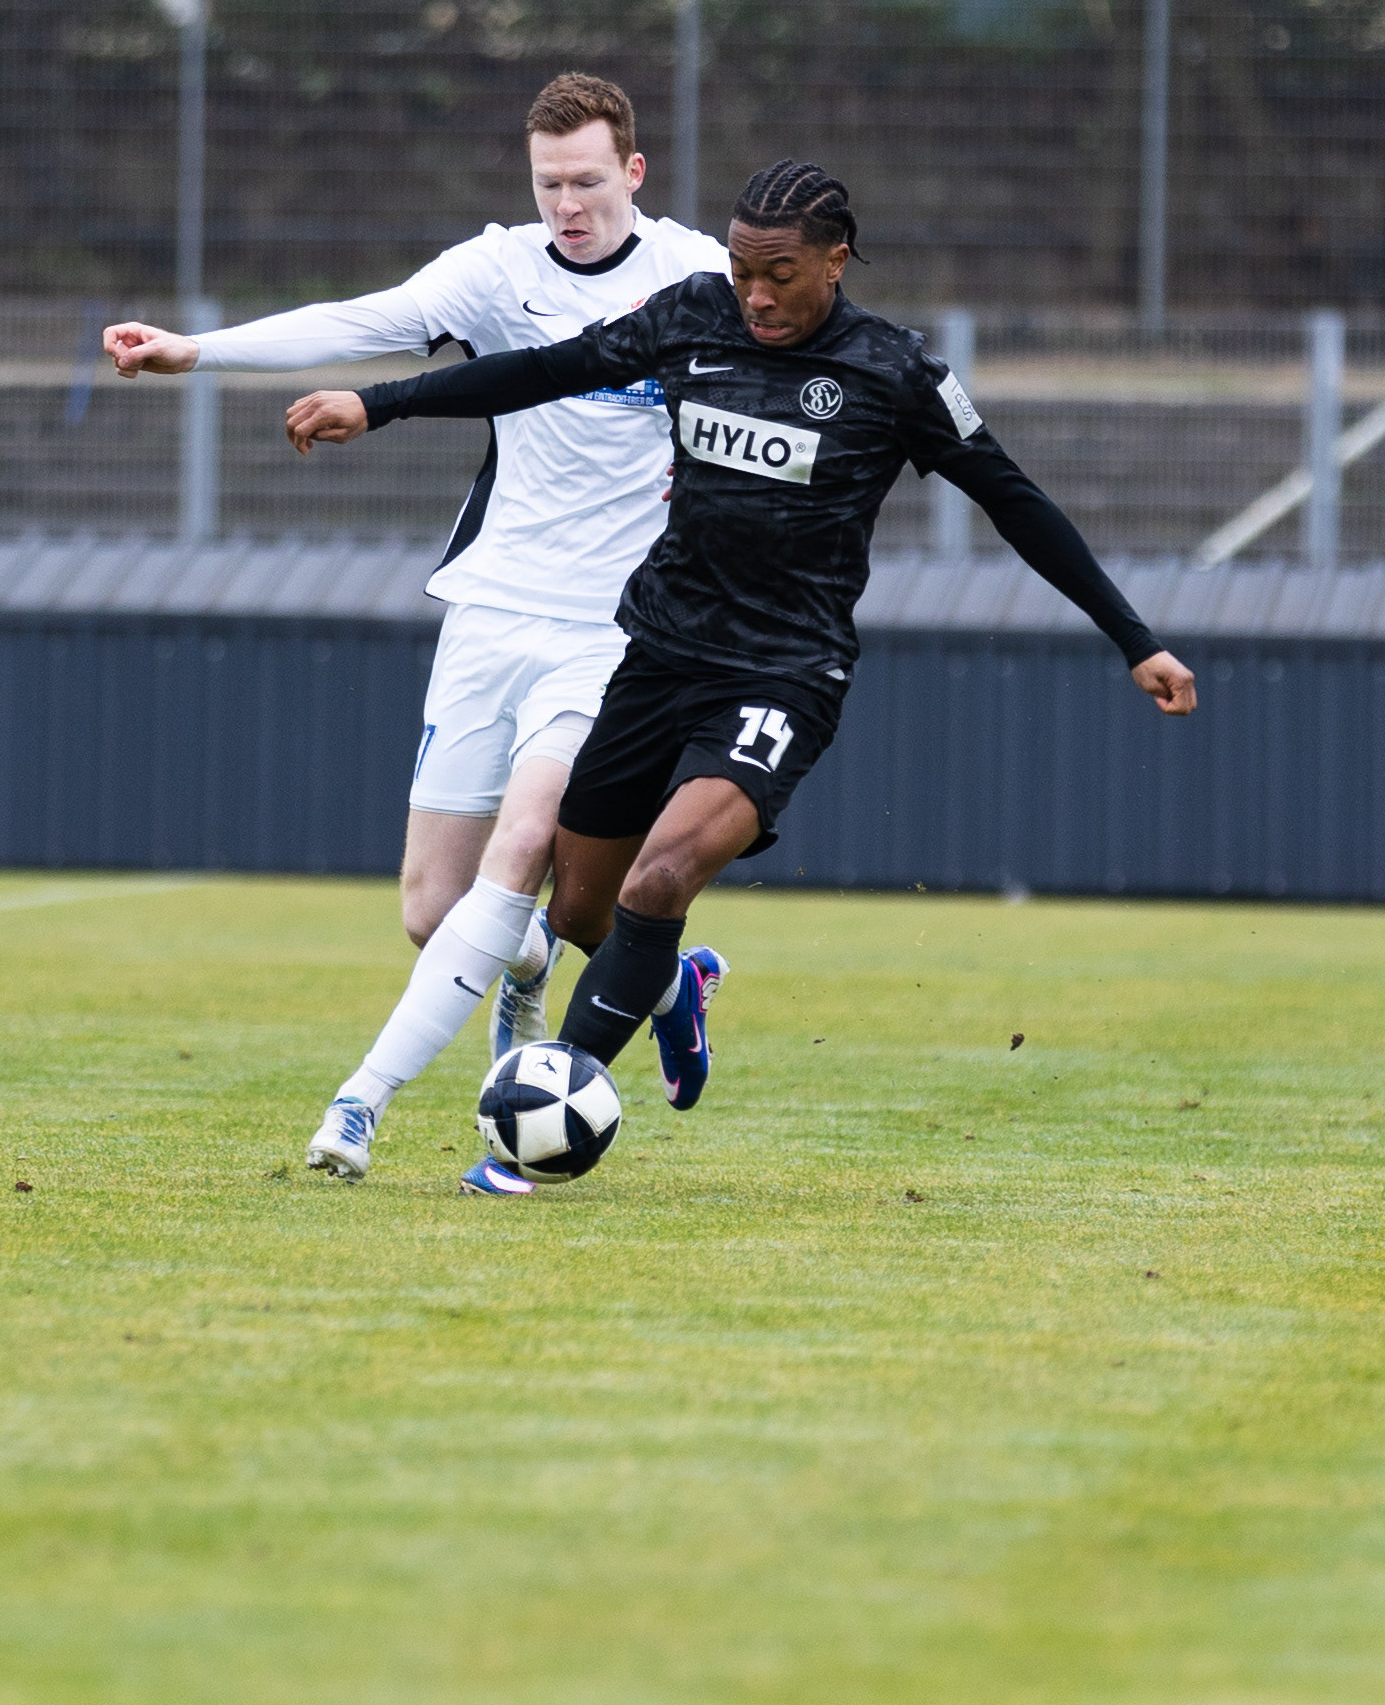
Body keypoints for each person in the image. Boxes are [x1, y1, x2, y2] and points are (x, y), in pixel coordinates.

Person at [289, 158, 1198, 1193]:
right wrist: (383, 403)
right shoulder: (693, 317)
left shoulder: (894, 373)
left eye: (779, 273)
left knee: (662, 877)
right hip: (657, 657)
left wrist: (1136, 639)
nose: (756, 294)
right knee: (586, 917)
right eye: (740, 270)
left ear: (835, 260)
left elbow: (1018, 502)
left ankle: (537, 1140)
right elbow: (545, 369)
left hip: (782, 674)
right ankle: (675, 987)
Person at [103, 73, 729, 1187]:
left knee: (521, 847)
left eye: (588, 181)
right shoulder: (496, 270)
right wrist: (195, 351)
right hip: (491, 617)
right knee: (433, 910)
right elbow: (360, 323)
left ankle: (360, 1105)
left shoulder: (698, 279)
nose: (568, 205)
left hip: (612, 635)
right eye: (549, 185)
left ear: (633, 173)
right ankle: (655, 979)